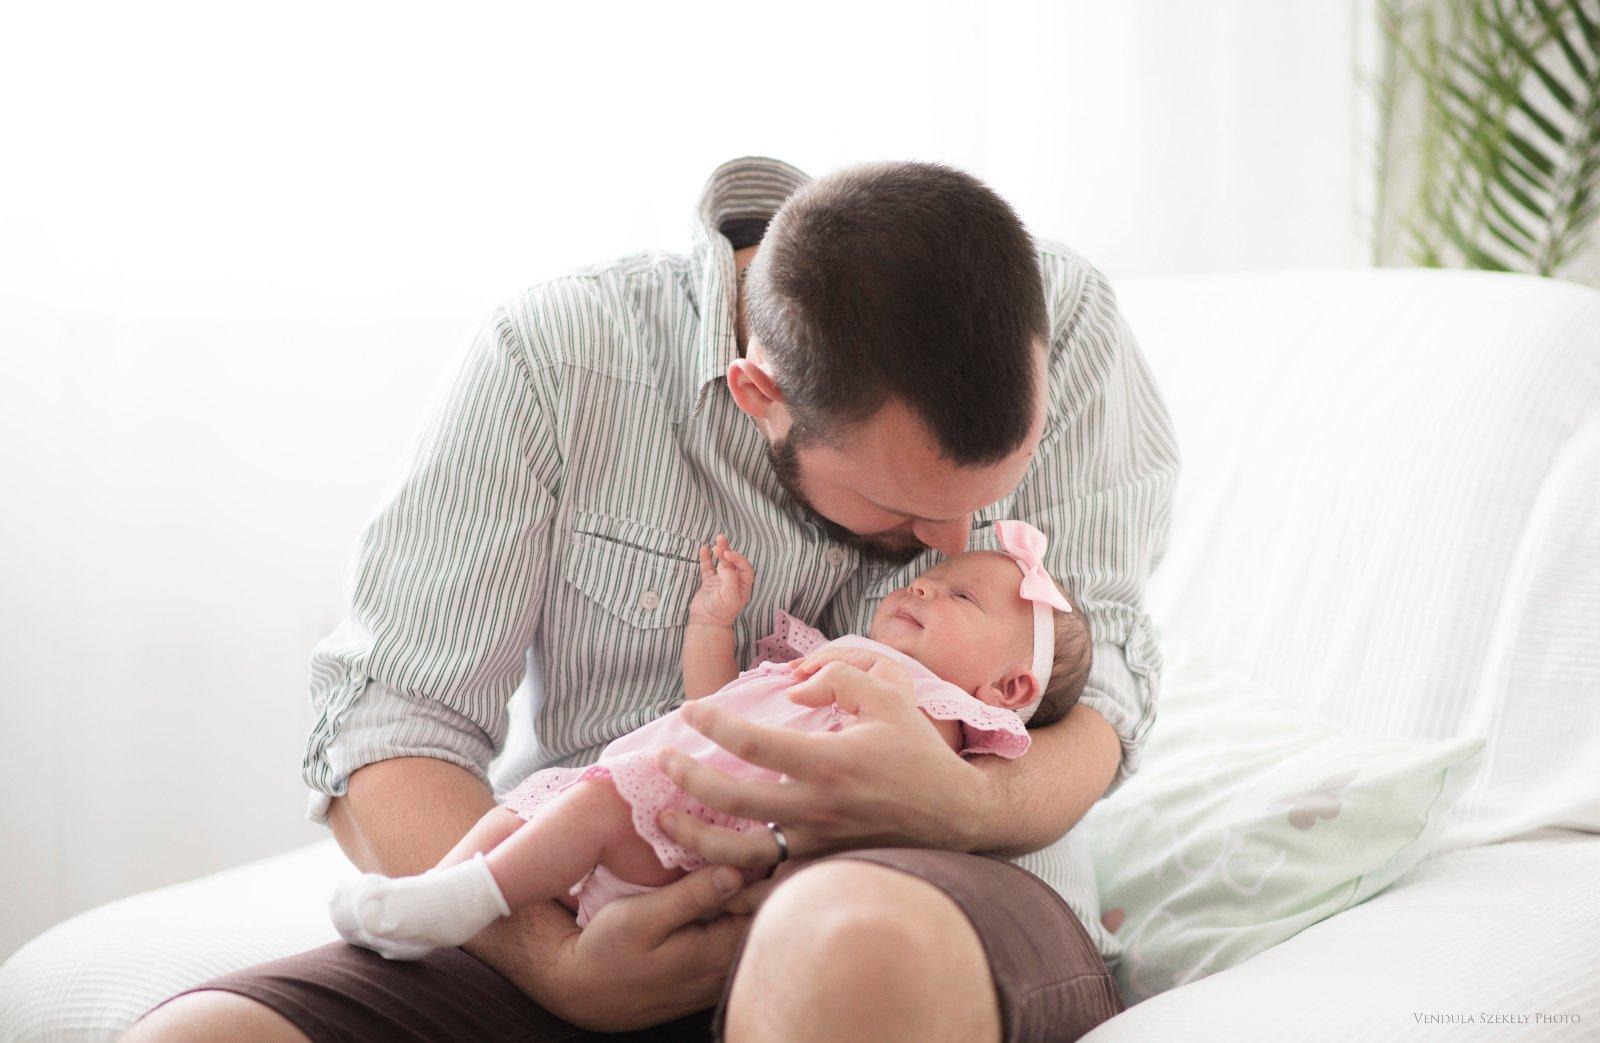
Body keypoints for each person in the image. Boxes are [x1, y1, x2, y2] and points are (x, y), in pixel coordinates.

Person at [127, 156, 1178, 1042]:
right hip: (603, 902)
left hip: (938, 901)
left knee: (842, 941)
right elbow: (394, 724)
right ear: (759, 394)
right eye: (902, 508)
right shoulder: (555, 358)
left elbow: (1105, 690)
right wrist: (553, 961)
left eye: (987, 502)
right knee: (198, 1037)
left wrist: (967, 804)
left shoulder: (1065, 321)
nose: (954, 542)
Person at [327, 522, 1091, 959]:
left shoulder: (935, 713)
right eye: (932, 575)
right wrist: (711, 623)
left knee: (586, 808)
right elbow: (714, 705)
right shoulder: (836, 657)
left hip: (695, 838)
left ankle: (466, 896)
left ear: (1008, 687)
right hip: (656, 797)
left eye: (960, 595)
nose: (922, 584)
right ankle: (436, 896)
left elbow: (879, 785)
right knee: (526, 804)